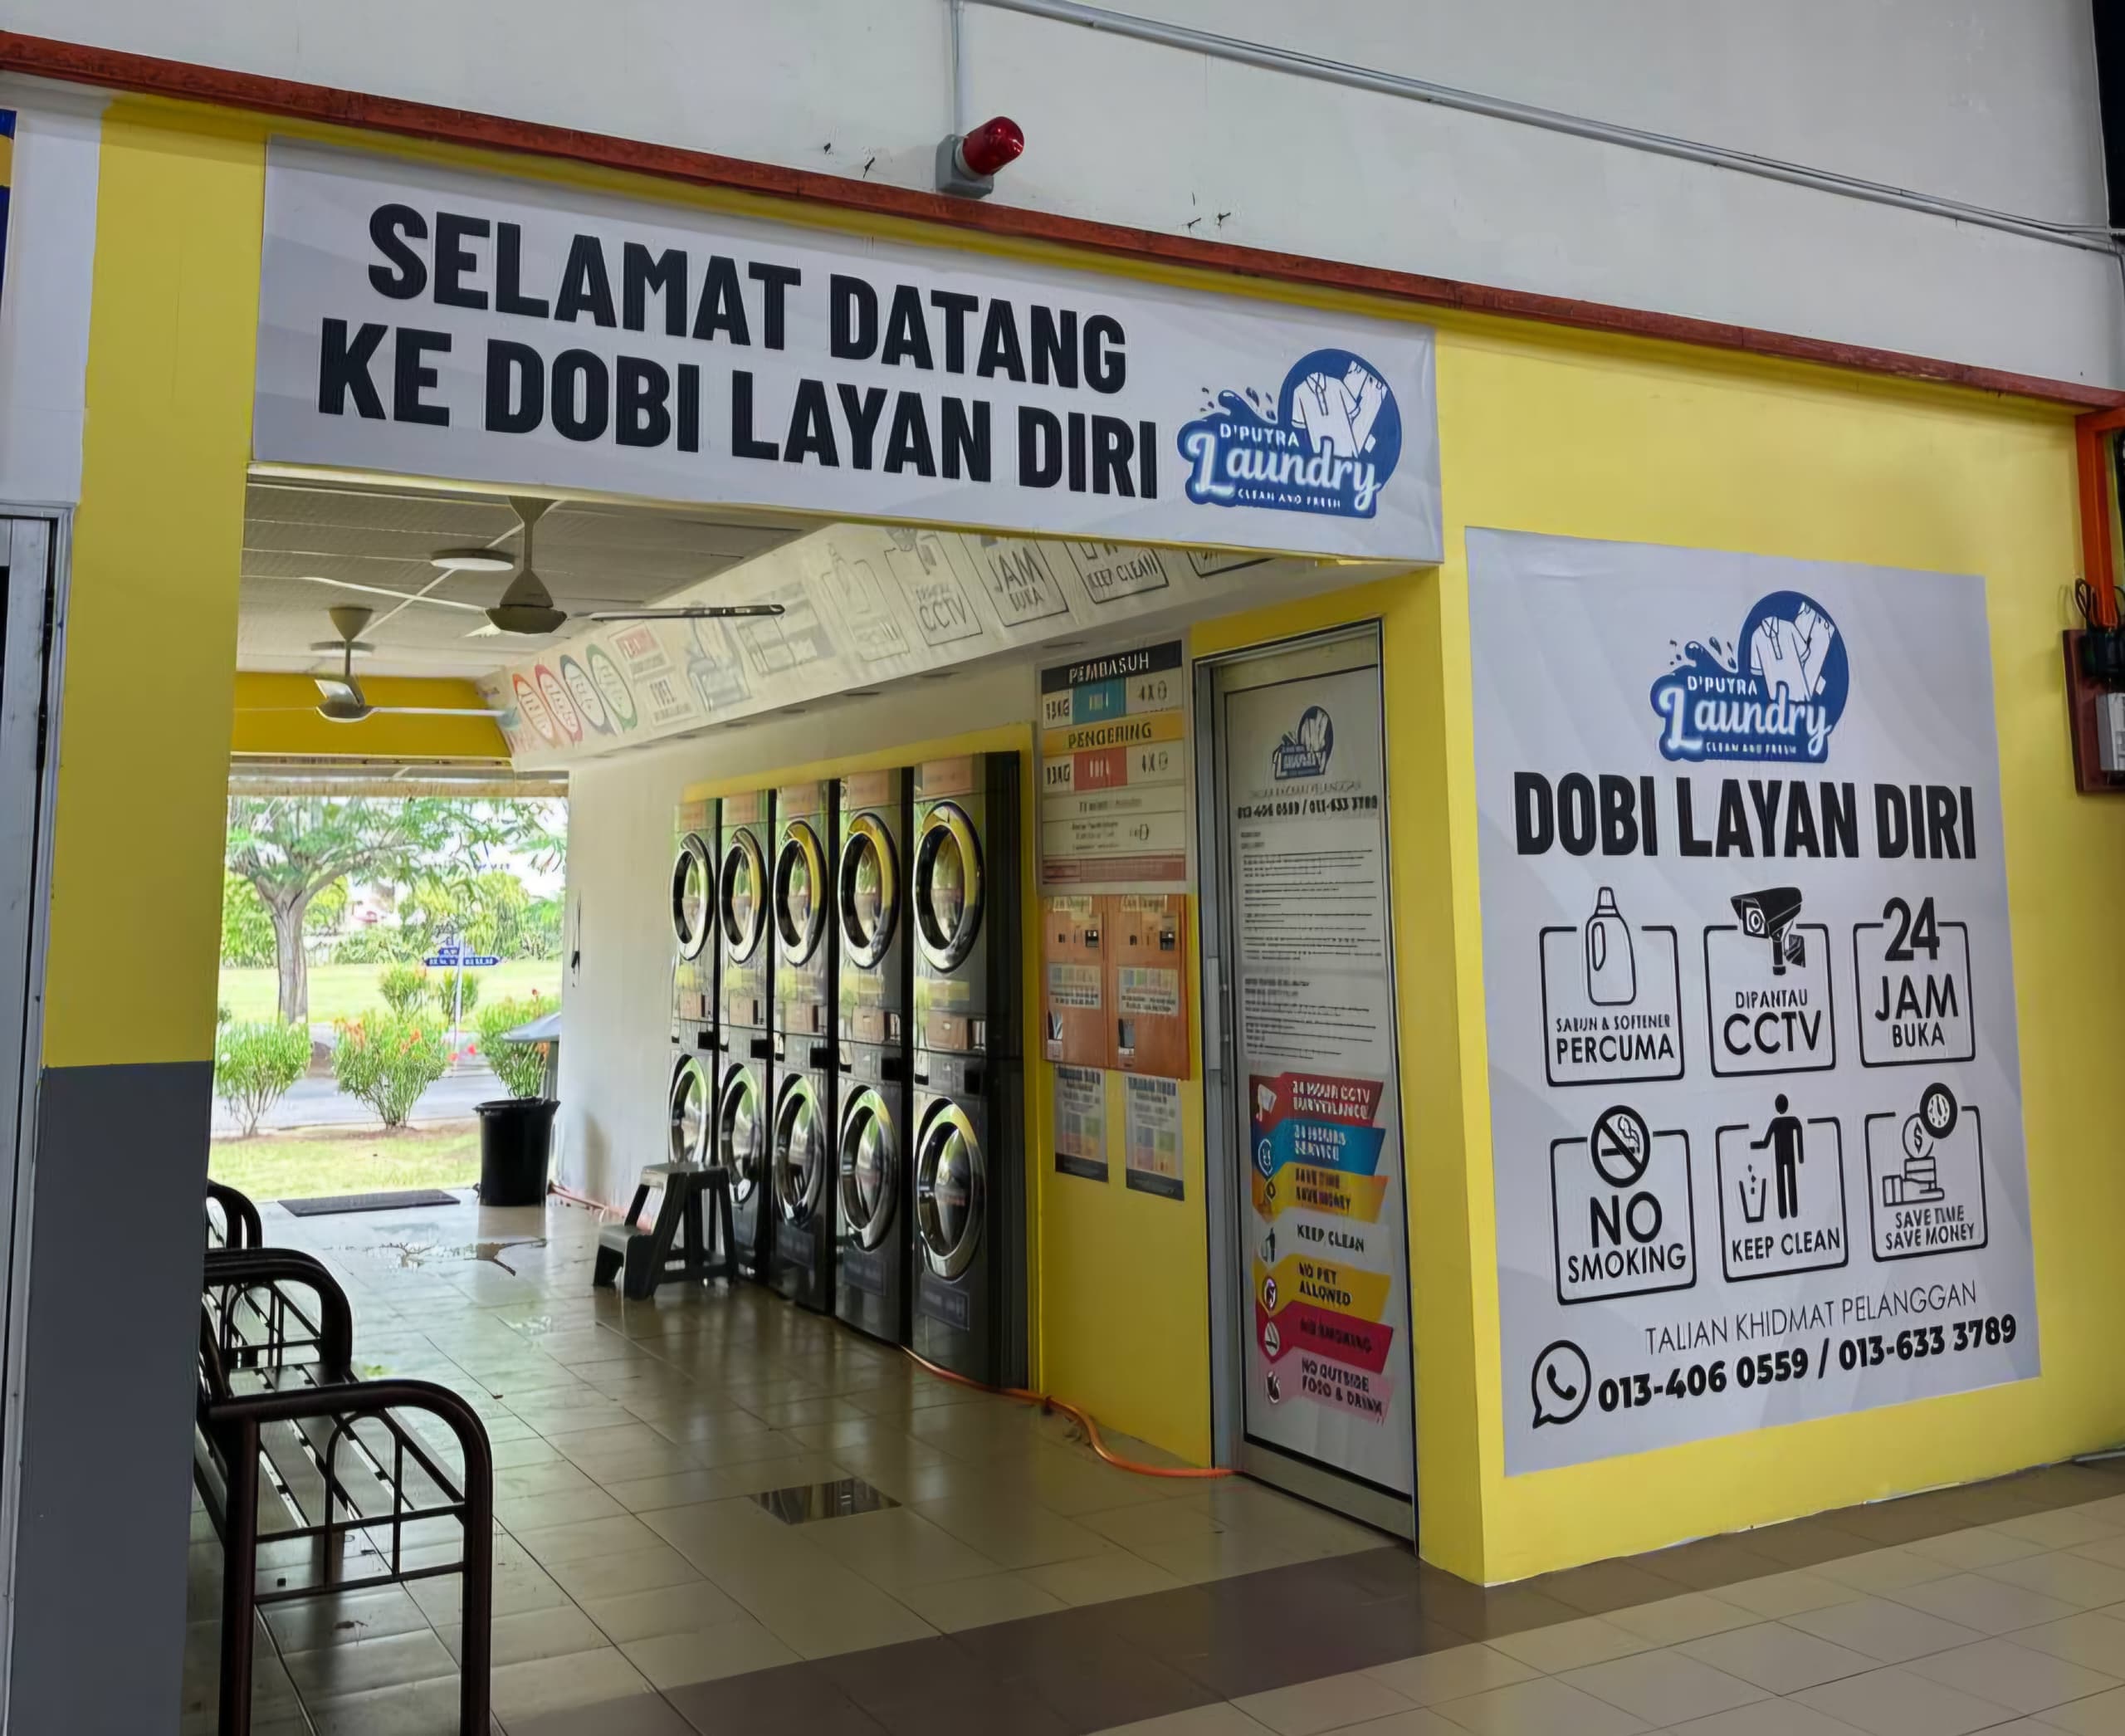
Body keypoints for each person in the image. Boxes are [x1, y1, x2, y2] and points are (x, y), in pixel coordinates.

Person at [1751, 1094, 1805, 1220]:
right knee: (1789, 1181)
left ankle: (1784, 1212)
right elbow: (1799, 1130)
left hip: (1780, 1157)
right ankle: (1791, 1211)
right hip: (1788, 1156)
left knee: (1783, 1183)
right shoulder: (1792, 1121)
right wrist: (1800, 1156)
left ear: (1777, 1107)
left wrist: (1755, 1145)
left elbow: (1766, 1142)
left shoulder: (1776, 1123)